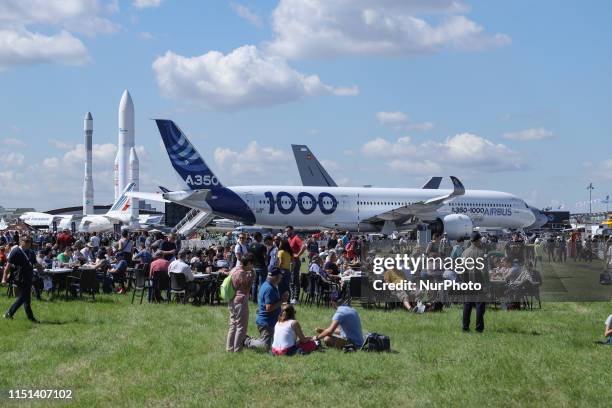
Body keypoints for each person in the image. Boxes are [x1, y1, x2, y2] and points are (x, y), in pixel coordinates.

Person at [244, 267, 288, 351]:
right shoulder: (269, 289)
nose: (281, 277)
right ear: (275, 277)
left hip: (270, 321)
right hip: (266, 323)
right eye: (280, 276)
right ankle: (246, 340)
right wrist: (282, 300)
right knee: (265, 347)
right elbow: (268, 308)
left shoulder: (270, 285)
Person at [2, 236, 42, 322]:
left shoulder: (31, 252)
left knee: (26, 299)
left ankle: (29, 318)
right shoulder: (15, 251)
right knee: (24, 297)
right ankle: (10, 313)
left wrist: (41, 268)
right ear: (21, 242)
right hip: (19, 277)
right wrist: (4, 279)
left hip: (29, 277)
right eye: (27, 241)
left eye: (30, 241)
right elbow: (7, 267)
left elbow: (34, 264)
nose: (29, 243)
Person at [226, 253, 254, 352]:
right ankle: (237, 349)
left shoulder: (234, 269)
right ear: (248, 263)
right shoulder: (242, 274)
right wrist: (252, 277)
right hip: (240, 301)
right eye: (252, 264)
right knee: (241, 326)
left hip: (231, 300)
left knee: (233, 324)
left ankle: (229, 348)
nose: (252, 266)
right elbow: (246, 290)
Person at [460, 232, 487, 333]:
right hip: (478, 281)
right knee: (479, 305)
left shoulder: (464, 252)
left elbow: (461, 269)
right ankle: (479, 328)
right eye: (480, 240)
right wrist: (486, 283)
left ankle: (465, 327)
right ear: (477, 240)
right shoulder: (480, 253)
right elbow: (483, 270)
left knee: (467, 305)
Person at [285, 226, 305, 304]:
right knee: (291, 280)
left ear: (292, 231)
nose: (287, 232)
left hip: (295, 262)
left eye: (288, 231)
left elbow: (304, 246)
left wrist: (298, 255)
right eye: (286, 231)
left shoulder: (296, 238)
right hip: (289, 262)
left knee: (295, 279)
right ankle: (292, 297)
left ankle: (296, 298)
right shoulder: (289, 239)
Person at [250, 232, 268, 304]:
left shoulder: (251, 246)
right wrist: (267, 262)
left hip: (254, 267)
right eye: (261, 237)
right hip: (261, 267)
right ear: (259, 237)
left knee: (254, 284)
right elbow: (265, 256)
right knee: (262, 284)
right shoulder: (262, 246)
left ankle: (254, 300)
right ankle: (261, 300)